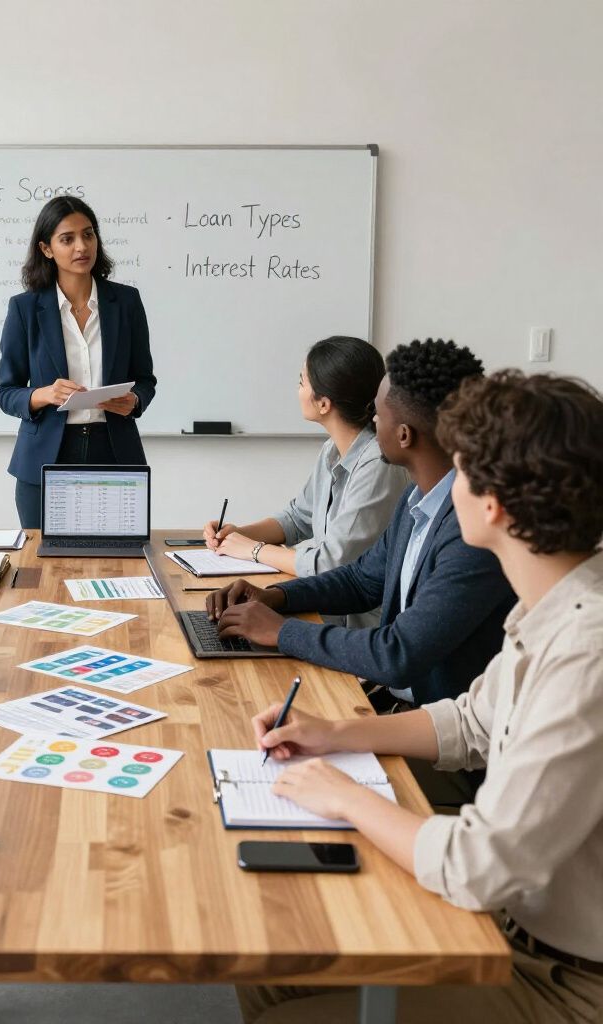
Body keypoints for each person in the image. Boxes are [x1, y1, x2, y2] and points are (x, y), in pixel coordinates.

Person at [238, 370, 603, 1023]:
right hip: (518, 927)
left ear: (491, 505)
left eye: (460, 470)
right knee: (275, 965)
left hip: (565, 983)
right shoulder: (559, 602)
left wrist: (344, 796)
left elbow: (476, 864)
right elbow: (468, 722)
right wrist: (335, 733)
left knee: (280, 1003)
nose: (444, 485)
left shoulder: (586, 650)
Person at [207, 339, 515, 804]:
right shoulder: (417, 500)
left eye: (380, 412)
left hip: (447, 753)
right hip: (397, 709)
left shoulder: (469, 529)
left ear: (405, 434)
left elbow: (398, 653)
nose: (371, 420)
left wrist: (282, 632)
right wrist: (276, 598)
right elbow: (361, 579)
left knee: (274, 777)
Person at [202, 336, 409, 626]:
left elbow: (328, 563)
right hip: (324, 611)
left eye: (302, 382)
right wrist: (237, 534)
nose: (297, 390)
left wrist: (253, 550)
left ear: (323, 403)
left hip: (358, 627)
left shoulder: (378, 464)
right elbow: (299, 517)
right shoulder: (333, 449)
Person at [0, 195, 157, 528]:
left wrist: (135, 400)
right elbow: (7, 391)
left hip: (113, 452)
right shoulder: (25, 309)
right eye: (67, 239)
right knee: (42, 568)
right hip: (45, 459)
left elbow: (145, 379)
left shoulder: (125, 302)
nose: (81, 246)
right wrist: (44, 395)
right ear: (46, 249)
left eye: (88, 234)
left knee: (116, 563)